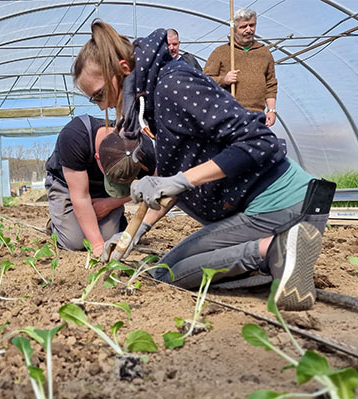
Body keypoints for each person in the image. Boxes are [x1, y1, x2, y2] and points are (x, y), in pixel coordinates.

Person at [73, 19, 334, 311]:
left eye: (97, 95)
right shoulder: (155, 97)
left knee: (165, 274)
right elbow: (172, 182)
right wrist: (132, 233)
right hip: (263, 206)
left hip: (280, 201)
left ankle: (275, 251)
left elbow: (259, 143)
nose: (101, 106)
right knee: (167, 267)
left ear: (123, 69)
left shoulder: (174, 83)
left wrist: (182, 180)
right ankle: (274, 256)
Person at [43, 113, 154, 257]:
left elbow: (153, 184)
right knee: (75, 242)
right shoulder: (75, 137)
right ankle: (56, 225)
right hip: (67, 186)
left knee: (109, 238)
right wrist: (97, 245)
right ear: (98, 157)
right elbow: (80, 197)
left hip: (104, 192)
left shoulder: (143, 146)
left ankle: (115, 220)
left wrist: (111, 203)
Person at [203, 8, 278, 127]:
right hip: (229, 114)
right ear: (233, 30)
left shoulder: (264, 52)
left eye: (252, 25)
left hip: (257, 115)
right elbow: (204, 81)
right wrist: (224, 80)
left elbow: (271, 84)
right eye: (243, 27)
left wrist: (272, 110)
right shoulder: (221, 52)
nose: (249, 29)